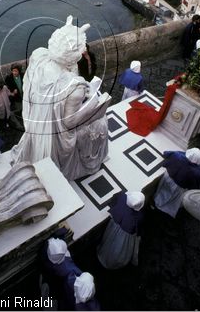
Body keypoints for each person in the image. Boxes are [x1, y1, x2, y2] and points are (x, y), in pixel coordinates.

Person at [10, 15, 111, 181]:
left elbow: (29, 87)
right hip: (57, 137)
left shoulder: (39, 56)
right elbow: (70, 122)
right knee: (101, 124)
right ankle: (89, 161)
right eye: (81, 49)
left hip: (38, 125)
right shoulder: (74, 86)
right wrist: (95, 105)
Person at [97, 191, 145, 269]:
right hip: (125, 235)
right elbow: (138, 230)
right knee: (119, 249)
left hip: (114, 226)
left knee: (109, 240)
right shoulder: (139, 217)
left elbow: (114, 198)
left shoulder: (122, 198)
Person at [153, 148, 200, 218]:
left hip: (167, 178)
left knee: (162, 191)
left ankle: (155, 202)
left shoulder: (177, 155)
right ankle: (163, 210)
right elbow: (195, 187)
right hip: (178, 187)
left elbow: (166, 153)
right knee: (170, 198)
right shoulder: (199, 172)